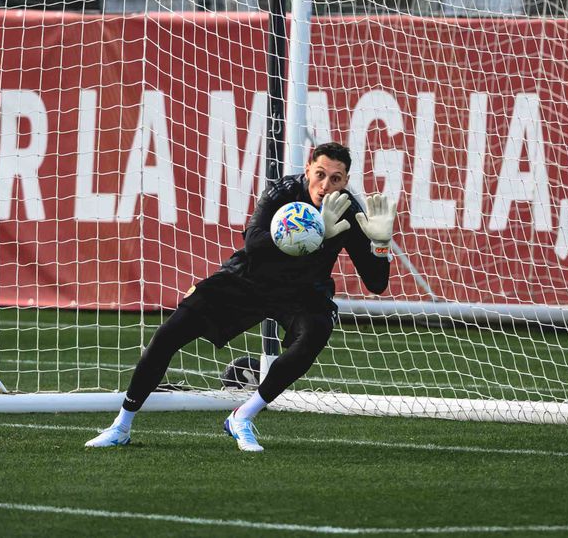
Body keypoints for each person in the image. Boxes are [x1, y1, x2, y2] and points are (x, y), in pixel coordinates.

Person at [85, 141, 397, 453]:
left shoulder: (347, 211)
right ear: (307, 170)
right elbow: (254, 243)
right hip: (249, 279)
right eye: (320, 174)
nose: (325, 185)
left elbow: (376, 282)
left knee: (316, 332)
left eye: (336, 179)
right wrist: (314, 230)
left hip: (302, 291)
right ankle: (121, 425)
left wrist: (381, 244)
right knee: (171, 332)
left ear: (346, 181)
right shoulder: (283, 192)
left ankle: (242, 416)